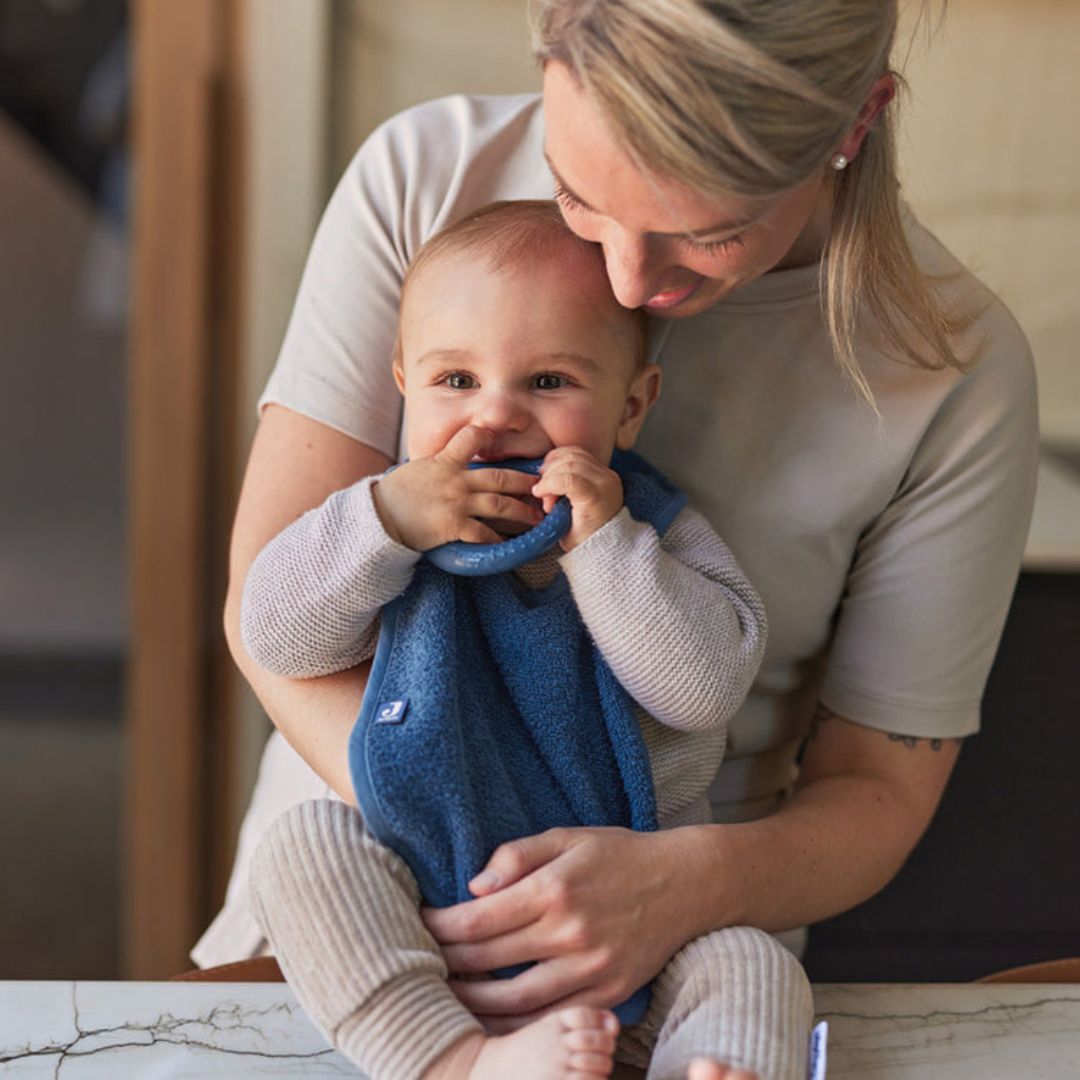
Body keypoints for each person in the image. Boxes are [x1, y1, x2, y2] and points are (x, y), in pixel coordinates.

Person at [194, 2, 1039, 1078]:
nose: (632, 283)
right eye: (577, 191)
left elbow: (876, 789)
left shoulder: (956, 374)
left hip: (668, 916)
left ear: (857, 119)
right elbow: (265, 614)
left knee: (751, 976)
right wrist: (467, 838)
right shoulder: (426, 175)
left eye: (710, 228)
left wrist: (671, 888)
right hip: (375, 862)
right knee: (305, 861)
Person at [240, 199, 811, 1079]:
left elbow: (700, 689)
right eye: (456, 382)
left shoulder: (650, 534)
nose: (497, 415)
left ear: (631, 407)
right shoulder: (382, 521)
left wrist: (603, 547)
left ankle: (712, 1064)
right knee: (304, 850)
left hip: (631, 929)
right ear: (403, 380)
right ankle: (456, 1061)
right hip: (425, 913)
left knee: (754, 963)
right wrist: (385, 521)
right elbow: (274, 634)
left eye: (549, 382)